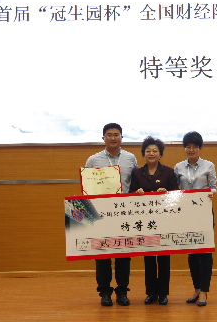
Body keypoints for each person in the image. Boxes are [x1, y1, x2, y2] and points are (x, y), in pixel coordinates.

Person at [85, 123, 138, 306]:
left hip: (124, 212)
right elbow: (87, 187)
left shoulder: (130, 158)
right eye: (109, 135)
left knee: (123, 254)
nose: (113, 138)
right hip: (101, 213)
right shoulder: (93, 160)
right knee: (102, 255)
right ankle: (105, 293)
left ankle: (122, 291)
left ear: (122, 137)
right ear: (103, 138)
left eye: (116, 134)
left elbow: (135, 183)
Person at [129, 136, 179, 305]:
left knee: (164, 258)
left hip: (164, 221)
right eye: (148, 151)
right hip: (145, 221)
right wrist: (137, 193)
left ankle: (163, 293)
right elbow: (130, 194)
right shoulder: (137, 173)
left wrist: (167, 193)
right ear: (143, 154)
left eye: (155, 151)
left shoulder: (169, 172)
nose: (151, 153)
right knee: (149, 258)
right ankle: (151, 293)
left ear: (160, 154)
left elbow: (177, 195)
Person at [174, 131, 217, 307]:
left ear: (200, 148)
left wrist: (212, 193)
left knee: (205, 253)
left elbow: (213, 186)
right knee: (192, 254)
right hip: (186, 213)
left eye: (194, 147)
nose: (191, 150)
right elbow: (174, 188)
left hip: (204, 212)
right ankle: (197, 289)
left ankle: (205, 291)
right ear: (185, 148)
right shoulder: (178, 167)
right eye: (188, 147)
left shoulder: (209, 165)